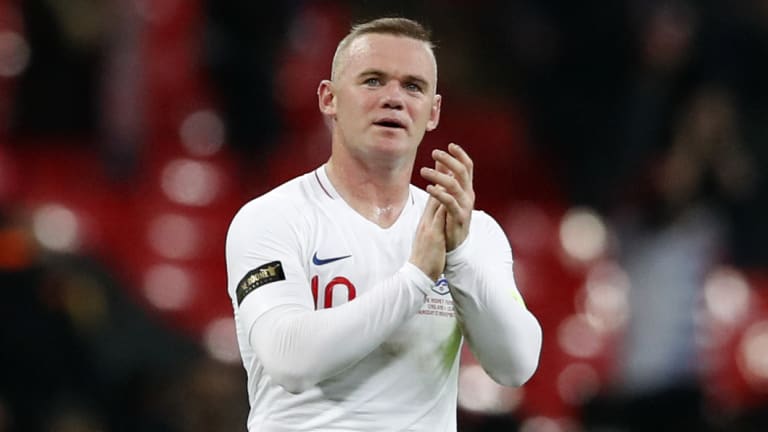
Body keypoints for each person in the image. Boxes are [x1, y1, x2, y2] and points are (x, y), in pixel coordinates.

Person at [225, 17, 542, 432]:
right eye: (373, 81)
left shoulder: (471, 232)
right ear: (329, 98)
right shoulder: (273, 218)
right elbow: (290, 360)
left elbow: (515, 365)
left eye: (413, 86)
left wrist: (460, 258)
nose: (394, 98)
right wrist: (414, 280)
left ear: (434, 111)